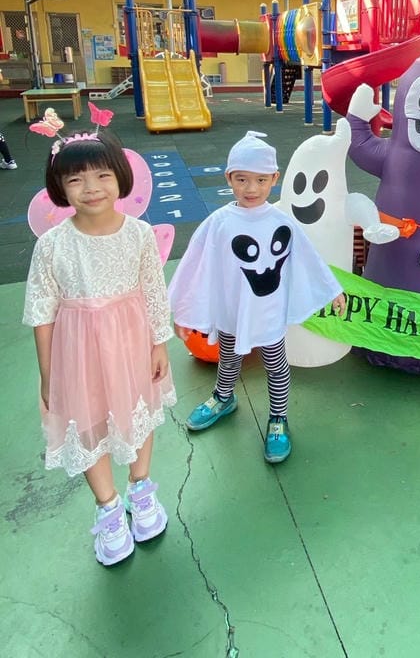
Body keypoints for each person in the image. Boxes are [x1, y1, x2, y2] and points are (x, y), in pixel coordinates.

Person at [23, 130, 175, 567]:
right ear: (59, 187)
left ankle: (140, 489)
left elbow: (153, 291)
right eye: (76, 179)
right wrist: (49, 374)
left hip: (131, 343)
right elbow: (41, 312)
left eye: (102, 175)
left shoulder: (139, 234)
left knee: (138, 412)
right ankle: (108, 507)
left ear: (121, 178)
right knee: (87, 424)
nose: (91, 188)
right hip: (78, 352)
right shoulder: (52, 244)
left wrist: (159, 343)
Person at [169, 131, 347, 463]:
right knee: (228, 357)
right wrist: (183, 309)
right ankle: (223, 398)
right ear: (229, 178)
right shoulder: (218, 223)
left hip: (269, 313)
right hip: (231, 311)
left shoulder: (282, 222)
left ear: (274, 179)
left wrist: (331, 288)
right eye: (242, 179)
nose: (251, 188)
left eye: (261, 180)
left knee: (275, 365)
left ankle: (278, 419)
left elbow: (307, 258)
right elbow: (195, 265)